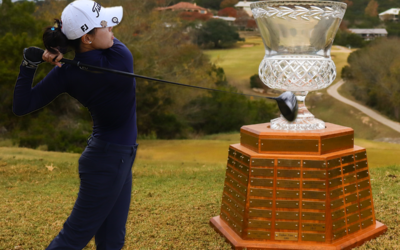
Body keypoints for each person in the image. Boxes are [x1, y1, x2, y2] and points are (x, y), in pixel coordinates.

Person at [13, 1, 138, 249]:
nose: (112, 28)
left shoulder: (66, 73)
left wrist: (30, 63)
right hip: (108, 163)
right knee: (72, 239)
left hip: (112, 158)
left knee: (113, 238)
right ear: (87, 38)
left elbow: (22, 105)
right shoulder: (120, 56)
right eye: (106, 25)